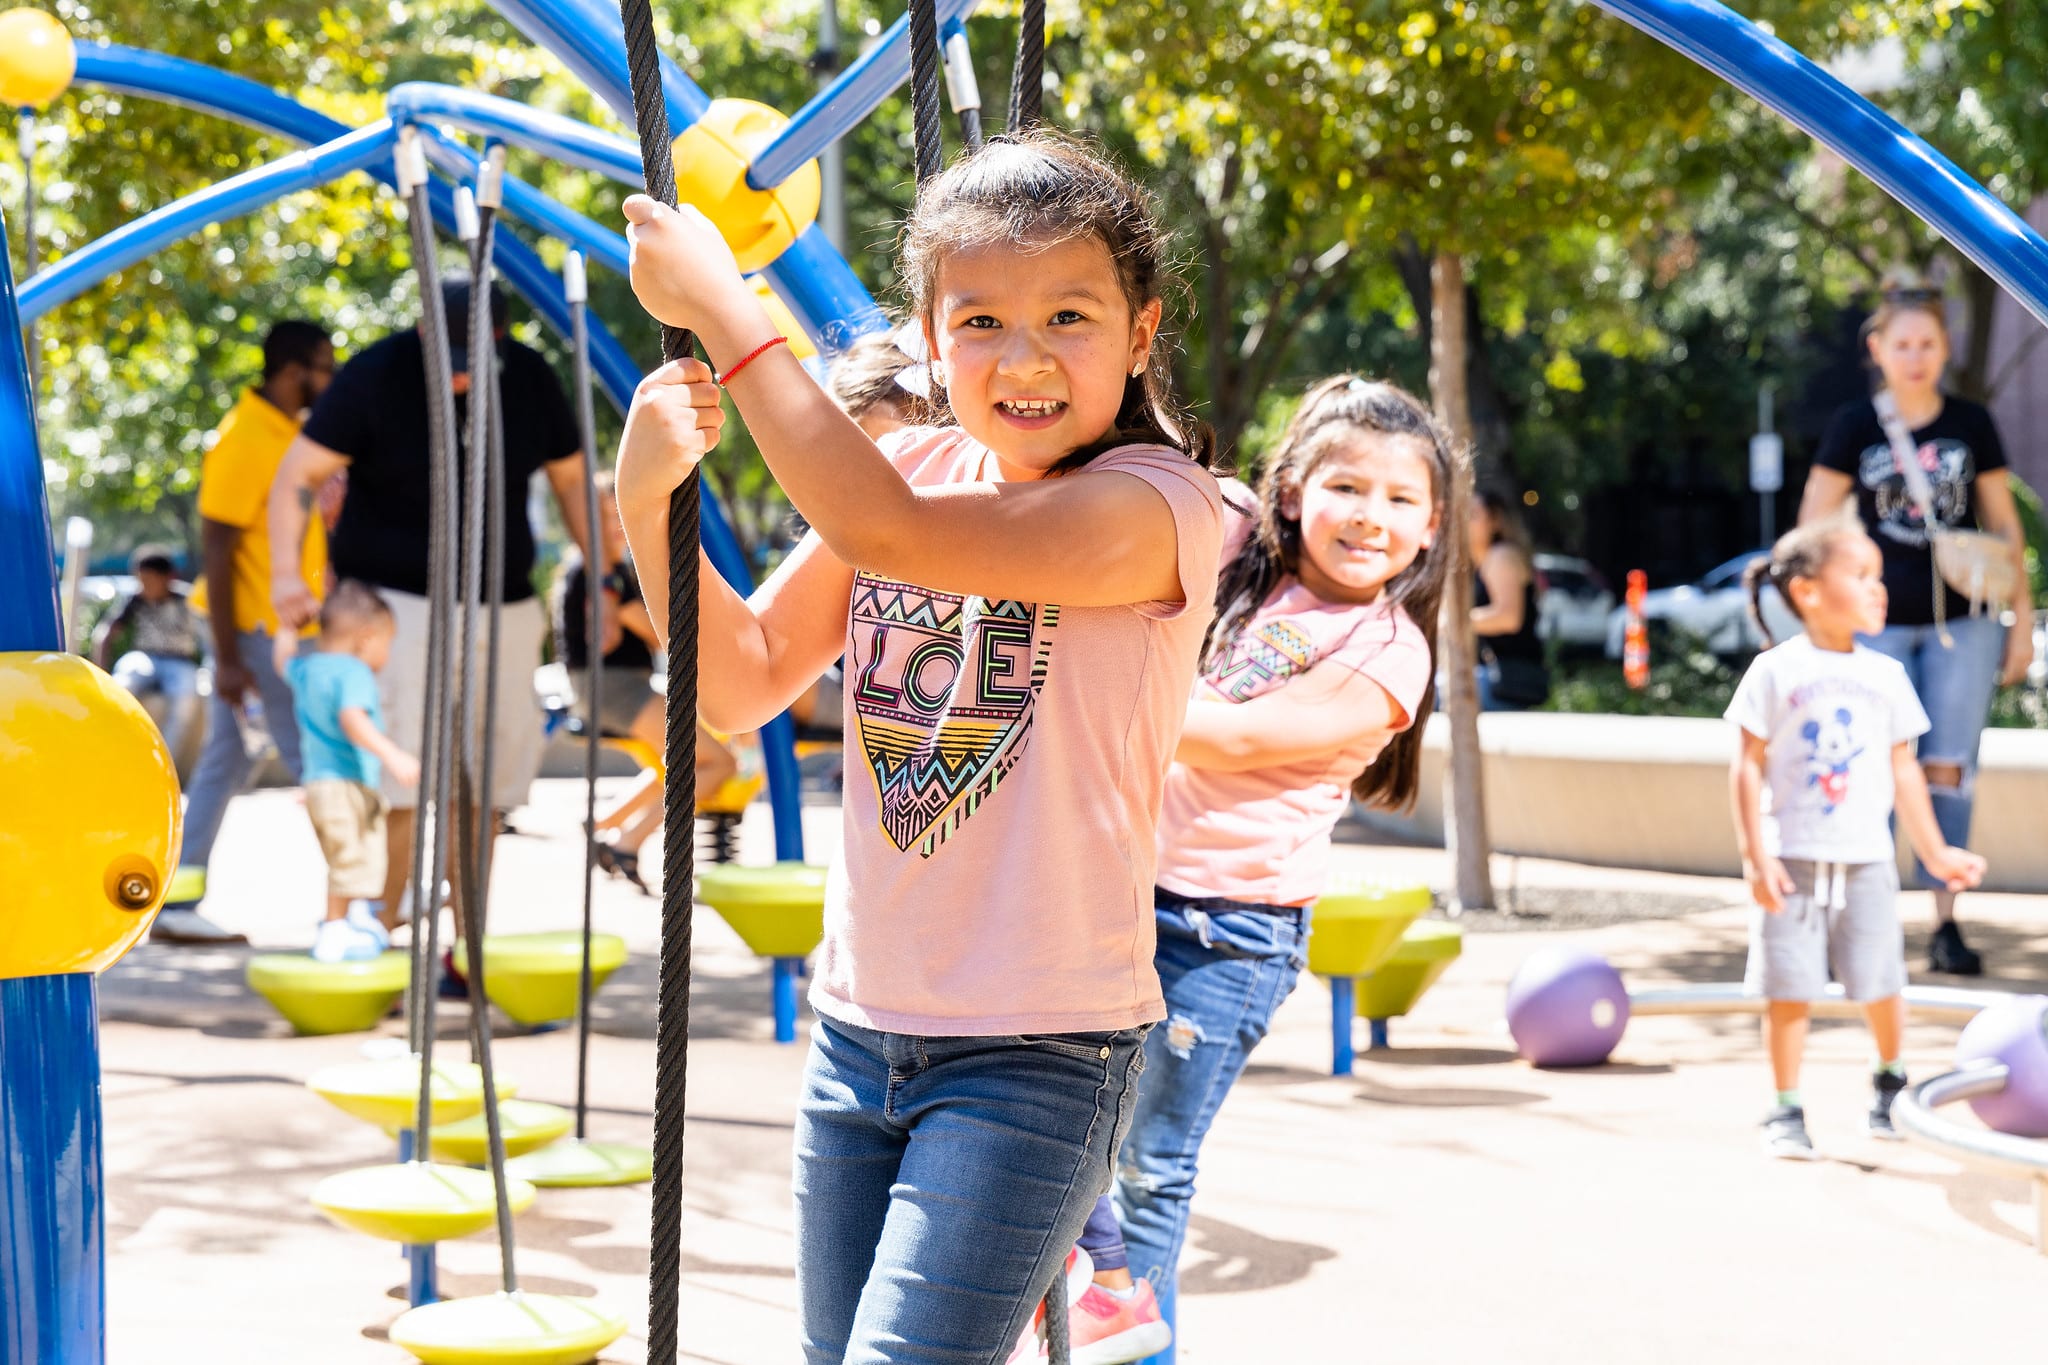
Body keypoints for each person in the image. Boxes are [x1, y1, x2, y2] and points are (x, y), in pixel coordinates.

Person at [614, 132, 1227, 1363]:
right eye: (981, 321)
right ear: (932, 336)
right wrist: (644, 496)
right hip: (858, 1034)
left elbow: (885, 531)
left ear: (1141, 332)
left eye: (1069, 315)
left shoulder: (1156, 507)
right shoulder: (908, 460)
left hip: (1039, 1052)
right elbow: (736, 684)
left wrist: (732, 315)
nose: (1026, 356)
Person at [1055, 377, 1450, 1365]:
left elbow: (1230, 741)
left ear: (1431, 526)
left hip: (1225, 934)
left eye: (1400, 500)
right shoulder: (1241, 562)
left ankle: (1137, 1354)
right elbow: (1160, 472)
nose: (1369, 515)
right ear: (1291, 494)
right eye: (1344, 486)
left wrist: (1087, 688)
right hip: (1116, 895)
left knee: (1148, 1169)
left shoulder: (1387, 652)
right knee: (1061, 1146)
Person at [268, 274, 594, 931]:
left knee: (483, 787)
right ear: (422, 334)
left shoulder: (528, 376)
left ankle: (467, 949)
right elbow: (296, 476)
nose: (460, 383)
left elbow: (572, 481)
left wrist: (604, 581)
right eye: (448, 365)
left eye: (475, 366)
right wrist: (284, 573)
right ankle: (378, 934)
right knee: (402, 782)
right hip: (394, 603)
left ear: (500, 340)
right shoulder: (375, 374)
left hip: (500, 602)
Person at [1796, 276, 2033, 976]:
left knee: (1948, 768)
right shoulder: (1854, 425)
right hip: (1876, 627)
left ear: (1945, 346)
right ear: (1878, 349)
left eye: (1928, 342)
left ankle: (1945, 920)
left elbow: (2003, 523)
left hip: (1964, 622)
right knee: (1865, 768)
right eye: (1902, 343)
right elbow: (1812, 524)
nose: (1916, 354)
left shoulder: (1970, 421)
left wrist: (2018, 621)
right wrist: (1815, 610)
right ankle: (1865, 921)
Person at [1728, 516, 1985, 1160]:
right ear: (1809, 592)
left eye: (1879, 576)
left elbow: (1905, 773)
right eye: (1861, 575)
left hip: (1868, 861)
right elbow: (1747, 763)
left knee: (1882, 980)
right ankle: (1786, 1107)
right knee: (1788, 987)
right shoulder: (1774, 670)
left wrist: (1935, 852)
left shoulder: (1887, 676)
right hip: (1792, 859)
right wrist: (1755, 855)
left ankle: (1889, 1079)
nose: (1880, 588)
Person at [157, 320, 336, 946]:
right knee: (317, 758)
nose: (331, 378)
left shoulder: (284, 430)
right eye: (324, 365)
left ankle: (178, 897)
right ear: (293, 371)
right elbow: (218, 541)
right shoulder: (245, 435)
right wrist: (230, 658)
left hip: (270, 627)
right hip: (257, 631)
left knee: (226, 758)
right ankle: (362, 900)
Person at [554, 473, 738, 891]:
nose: (618, 525)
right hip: (616, 688)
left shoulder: (599, 569)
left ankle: (605, 821)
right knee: (717, 763)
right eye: (606, 517)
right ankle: (626, 840)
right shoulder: (602, 574)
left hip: (609, 685)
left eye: (619, 514)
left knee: (680, 760)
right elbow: (660, 634)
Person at [285, 581, 420, 962]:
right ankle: (333, 930)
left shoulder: (308, 667)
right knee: (351, 857)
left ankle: (356, 917)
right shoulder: (354, 672)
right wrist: (392, 754)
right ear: (366, 637)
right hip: (346, 783)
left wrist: (287, 630)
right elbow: (352, 718)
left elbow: (282, 661)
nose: (386, 655)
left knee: (357, 852)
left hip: (318, 783)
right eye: (386, 643)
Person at [95, 546, 204, 759]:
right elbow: (106, 633)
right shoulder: (135, 600)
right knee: (124, 685)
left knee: (186, 698)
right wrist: (101, 672)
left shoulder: (187, 600)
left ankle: (165, 759)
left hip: (180, 660)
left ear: (169, 578)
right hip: (145, 656)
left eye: (149, 580)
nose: (143, 586)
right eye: (140, 580)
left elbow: (208, 636)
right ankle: (118, 751)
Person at [1467, 486, 1548, 711]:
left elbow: (1508, 617)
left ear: (1495, 522)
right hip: (1499, 677)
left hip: (1510, 679)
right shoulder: (1480, 563)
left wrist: (1453, 623)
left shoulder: (1501, 556)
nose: (1462, 522)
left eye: (1472, 515)